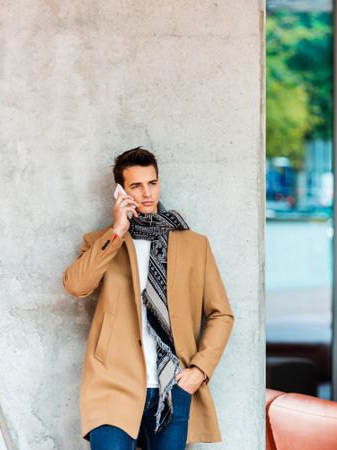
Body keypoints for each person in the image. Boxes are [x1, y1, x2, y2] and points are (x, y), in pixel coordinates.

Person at [62, 147, 234, 450]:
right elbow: (77, 285)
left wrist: (199, 370)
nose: (146, 193)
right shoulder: (101, 242)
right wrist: (117, 230)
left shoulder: (194, 244)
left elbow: (221, 314)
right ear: (120, 191)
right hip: (113, 383)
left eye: (152, 183)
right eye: (136, 186)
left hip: (173, 385)